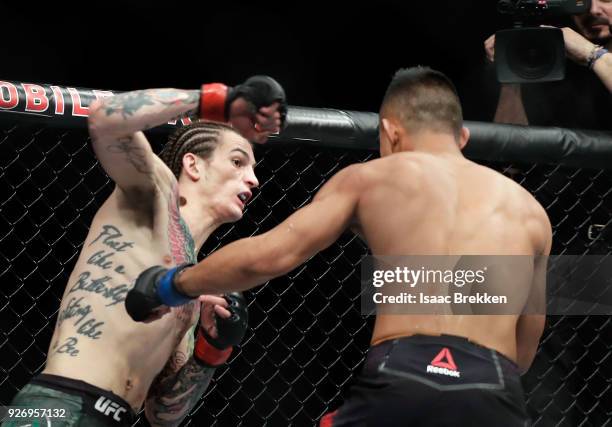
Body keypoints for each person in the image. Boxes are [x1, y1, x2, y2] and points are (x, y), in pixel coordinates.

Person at [126, 67, 552, 426]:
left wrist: (173, 283)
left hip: (403, 374)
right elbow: (525, 351)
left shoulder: (372, 179)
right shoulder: (530, 212)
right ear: (461, 136)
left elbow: (271, 255)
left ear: (389, 132)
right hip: (495, 387)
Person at [4, 76, 286, 426]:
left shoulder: (192, 285)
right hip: (60, 404)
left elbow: (163, 413)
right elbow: (105, 117)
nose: (253, 180)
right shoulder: (154, 194)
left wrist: (212, 352)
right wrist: (219, 101)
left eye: (254, 170)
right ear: (193, 165)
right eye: (238, 162)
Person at [484, 0, 612, 128]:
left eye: (606, 0)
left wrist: (592, 54)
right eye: (582, 2)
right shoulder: (553, 63)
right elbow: (510, 141)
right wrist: (512, 70)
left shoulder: (587, 53)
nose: (592, 10)